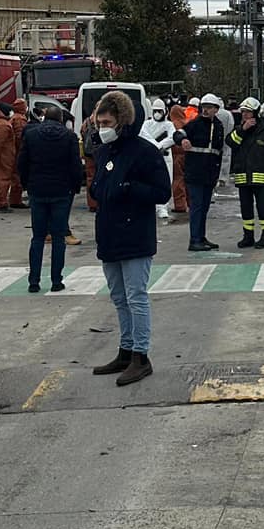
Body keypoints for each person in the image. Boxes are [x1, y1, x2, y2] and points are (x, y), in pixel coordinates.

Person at [88, 92, 170, 385]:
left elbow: (163, 192)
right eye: (99, 123)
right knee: (119, 297)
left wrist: (128, 188)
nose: (102, 128)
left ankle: (141, 356)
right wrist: (99, 190)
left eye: (107, 122)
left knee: (137, 297)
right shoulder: (104, 152)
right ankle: (125, 350)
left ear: (122, 121)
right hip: (109, 233)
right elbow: (98, 186)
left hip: (135, 233)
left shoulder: (144, 151)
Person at [17, 100, 83, 293]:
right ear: (61, 119)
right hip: (62, 191)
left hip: (37, 190)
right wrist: (75, 187)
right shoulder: (69, 137)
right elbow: (75, 166)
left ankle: (34, 281)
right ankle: (56, 281)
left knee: (37, 237)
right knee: (58, 237)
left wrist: (26, 184)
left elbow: (22, 162)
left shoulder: (31, 134)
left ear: (44, 117)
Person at [177, 94, 226, 250]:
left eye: (209, 107)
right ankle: (195, 240)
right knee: (197, 206)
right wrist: (182, 140)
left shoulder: (218, 125)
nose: (206, 110)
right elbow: (179, 133)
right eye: (204, 107)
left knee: (204, 207)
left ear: (216, 109)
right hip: (195, 172)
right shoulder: (195, 124)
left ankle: (201, 237)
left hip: (210, 173)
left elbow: (218, 150)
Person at [229, 99, 264, 249]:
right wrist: (243, 129)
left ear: (256, 113)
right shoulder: (239, 130)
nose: (244, 114)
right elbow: (230, 142)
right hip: (243, 177)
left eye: (248, 112)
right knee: (246, 208)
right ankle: (248, 236)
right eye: (243, 112)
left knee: (263, 207)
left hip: (261, 177)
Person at [142, 98, 177, 221]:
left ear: (164, 112)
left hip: (165, 156)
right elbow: (143, 135)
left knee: (166, 181)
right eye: (155, 111)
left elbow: (173, 137)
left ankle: (163, 207)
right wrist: (156, 146)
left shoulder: (169, 125)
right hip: (150, 156)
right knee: (149, 181)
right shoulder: (146, 124)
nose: (157, 113)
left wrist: (160, 146)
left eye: (159, 111)